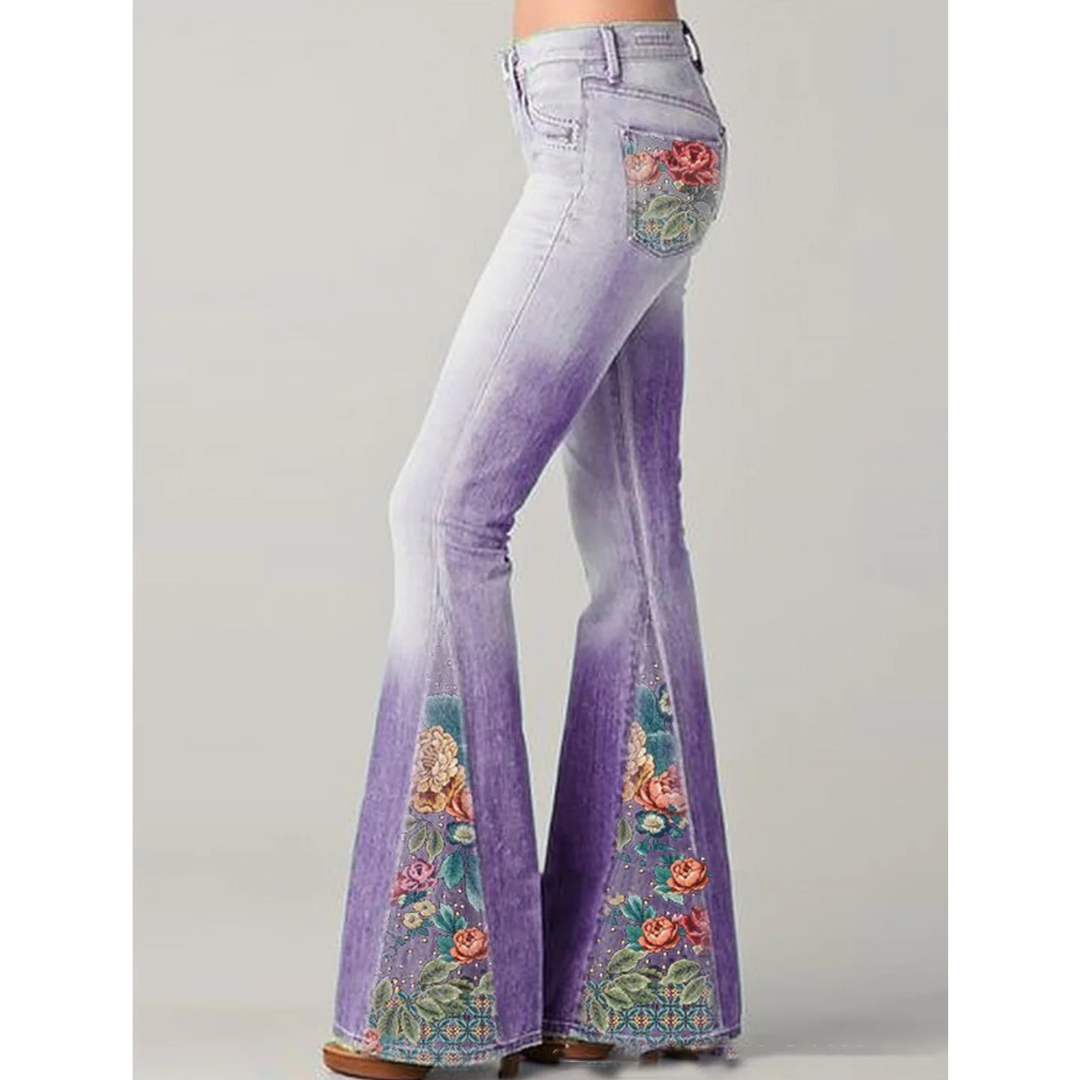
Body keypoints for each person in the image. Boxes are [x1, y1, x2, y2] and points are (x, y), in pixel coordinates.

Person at [322, 1, 741, 1076]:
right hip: (643, 107)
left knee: (444, 518)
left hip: (602, 115)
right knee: (637, 541)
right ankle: (631, 979)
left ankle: (439, 996)